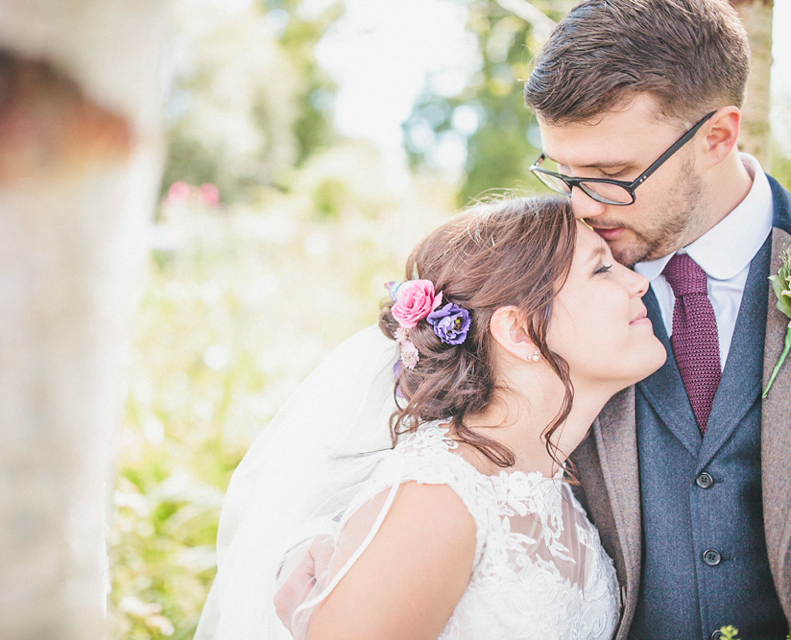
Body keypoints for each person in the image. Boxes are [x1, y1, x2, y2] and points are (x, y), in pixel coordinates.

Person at [194, 195, 666, 639]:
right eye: (601, 269)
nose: (637, 281)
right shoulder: (440, 496)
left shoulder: (549, 481)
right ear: (519, 332)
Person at [523, 0, 791, 637]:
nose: (583, 207)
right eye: (564, 173)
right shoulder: (540, 283)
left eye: (612, 174)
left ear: (717, 137)